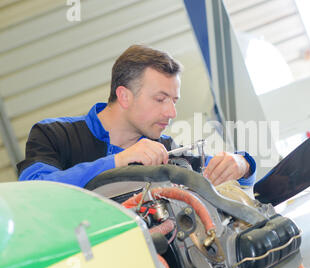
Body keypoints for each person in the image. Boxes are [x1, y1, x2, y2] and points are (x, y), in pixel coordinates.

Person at [16, 45, 256, 188]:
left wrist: (242, 164)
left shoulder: (167, 150)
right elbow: (35, 191)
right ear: (124, 96)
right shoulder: (54, 134)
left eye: (174, 101)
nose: (171, 113)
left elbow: (222, 172)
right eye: (160, 99)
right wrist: (118, 162)